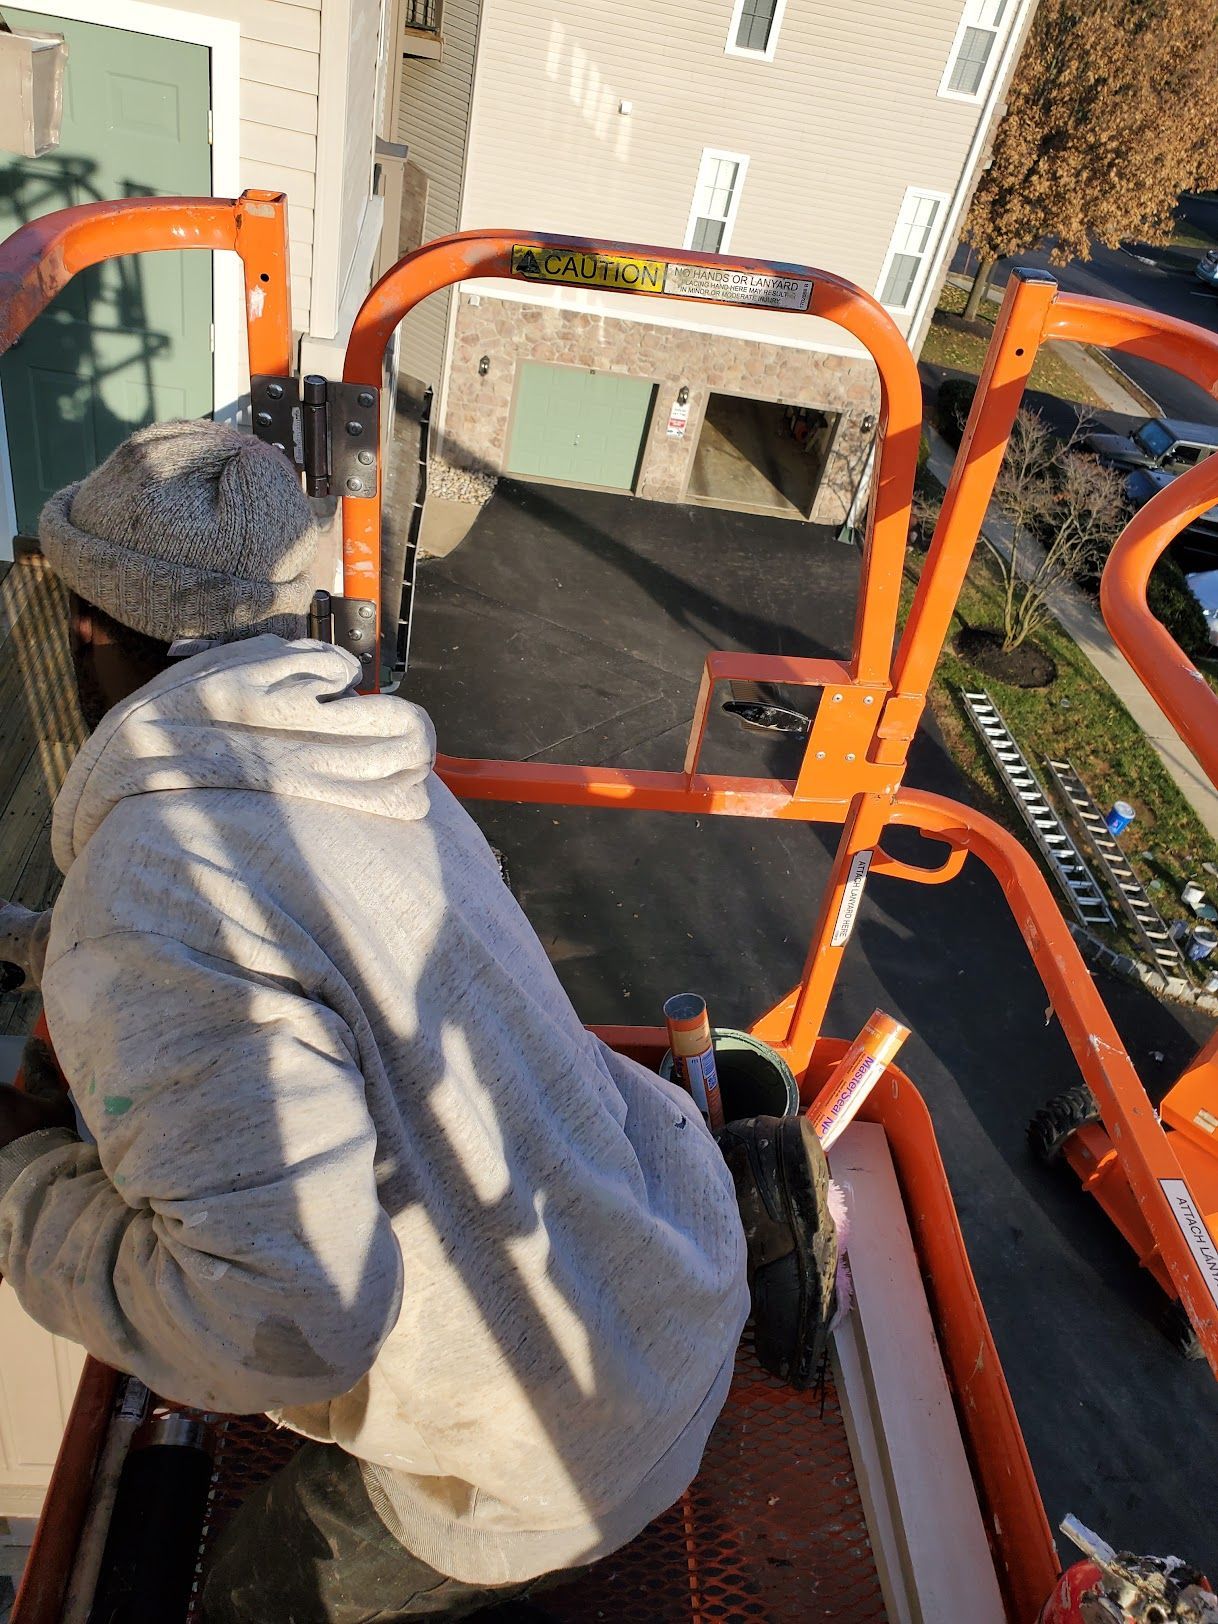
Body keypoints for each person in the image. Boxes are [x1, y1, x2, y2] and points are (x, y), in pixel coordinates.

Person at [0, 421, 837, 1622]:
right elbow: (287, 947)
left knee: (246, 1599)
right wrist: (46, 943)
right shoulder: (356, 760)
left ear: (88, 627)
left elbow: (279, 1326)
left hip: (549, 1468)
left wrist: (21, 1186)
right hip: (673, 1296)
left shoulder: (146, 898)